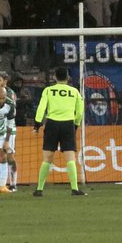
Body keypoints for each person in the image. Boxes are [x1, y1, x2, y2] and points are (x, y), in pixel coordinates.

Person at [32, 66, 86, 196]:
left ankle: (39, 189)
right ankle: (74, 189)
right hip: (68, 124)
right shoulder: (74, 91)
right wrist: (76, 125)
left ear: (54, 77)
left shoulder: (48, 90)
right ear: (67, 78)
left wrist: (37, 124)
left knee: (47, 158)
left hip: (52, 124)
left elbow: (41, 108)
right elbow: (80, 111)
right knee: (70, 157)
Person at [0, 71, 19, 191]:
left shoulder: (10, 94)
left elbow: (11, 112)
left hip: (9, 128)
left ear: (5, 81)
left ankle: (13, 183)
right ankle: (0, 182)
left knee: (9, 156)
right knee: (0, 155)